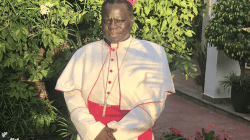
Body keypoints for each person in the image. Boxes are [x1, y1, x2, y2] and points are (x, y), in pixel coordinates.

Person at [55, 0, 175, 139]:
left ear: (131, 20)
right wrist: (93, 131)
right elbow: (73, 96)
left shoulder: (153, 53)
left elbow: (154, 104)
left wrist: (117, 134)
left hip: (133, 135)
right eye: (107, 21)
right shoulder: (85, 53)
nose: (112, 26)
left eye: (119, 21)